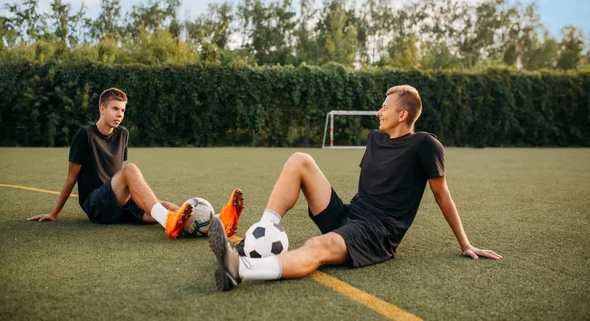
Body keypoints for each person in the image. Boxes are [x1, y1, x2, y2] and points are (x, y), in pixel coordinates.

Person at [209, 84, 502, 291]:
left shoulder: (426, 145)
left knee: (316, 246)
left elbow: (442, 196)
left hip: (376, 232)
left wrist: (465, 244)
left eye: (384, 108)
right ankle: (254, 241)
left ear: (402, 115)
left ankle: (241, 269)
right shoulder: (376, 138)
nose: (378, 112)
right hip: (350, 215)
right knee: (301, 160)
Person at [28, 87, 244, 239]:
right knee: (130, 171)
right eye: (114, 109)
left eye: (122, 110)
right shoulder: (84, 135)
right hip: (96, 205)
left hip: (119, 201)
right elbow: (72, 177)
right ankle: (169, 222)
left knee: (168, 207)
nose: (119, 114)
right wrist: (55, 213)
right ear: (102, 109)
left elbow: (119, 178)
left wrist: (137, 200)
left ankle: (216, 224)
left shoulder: (123, 134)